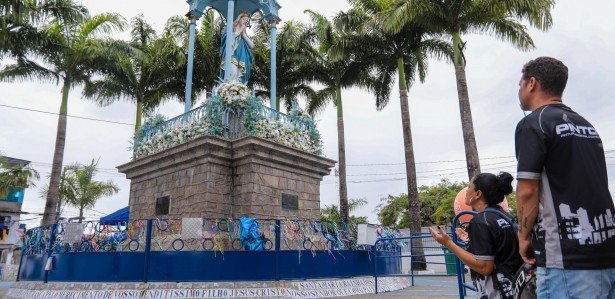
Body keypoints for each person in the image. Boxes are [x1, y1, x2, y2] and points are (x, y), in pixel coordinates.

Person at [515, 56, 615, 298]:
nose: (519, 90)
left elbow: (527, 190)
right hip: (605, 252)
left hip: (565, 259)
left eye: (520, 84)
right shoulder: (587, 126)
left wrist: (523, 236)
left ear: (532, 83)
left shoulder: (533, 123)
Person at [430, 172, 522, 299]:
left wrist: (449, 244)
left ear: (478, 194)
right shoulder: (505, 216)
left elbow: (485, 267)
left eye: (469, 187)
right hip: (517, 287)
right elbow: (500, 248)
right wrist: (470, 240)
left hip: (498, 291)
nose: (466, 191)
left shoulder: (480, 221)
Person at [220, 12, 254, 84]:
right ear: (239, 19)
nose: (245, 21)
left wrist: (244, 35)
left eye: (247, 21)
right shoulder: (230, 28)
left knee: (239, 78)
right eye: (244, 19)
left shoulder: (243, 33)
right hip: (231, 55)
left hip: (242, 57)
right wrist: (239, 31)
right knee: (233, 74)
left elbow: (252, 46)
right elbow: (226, 40)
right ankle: (230, 92)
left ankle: (237, 93)